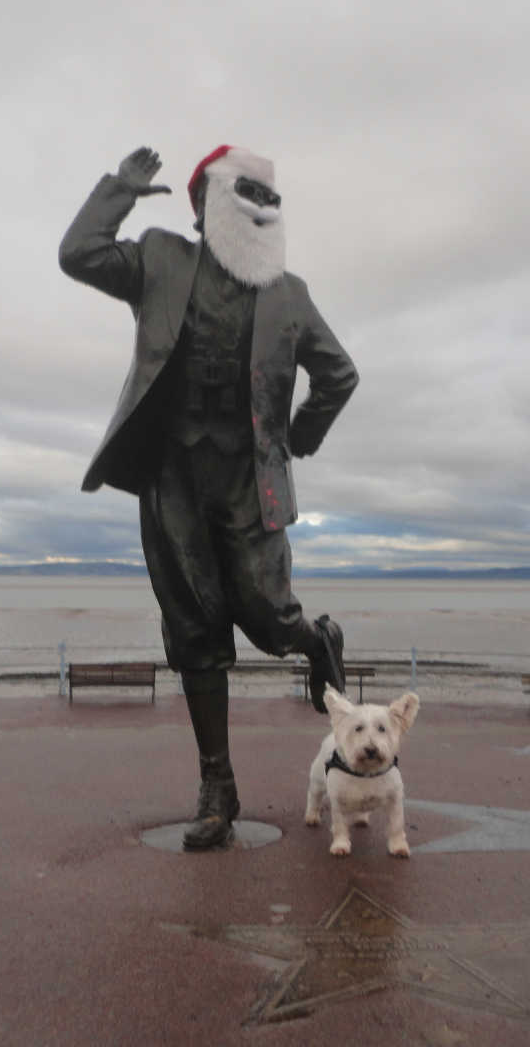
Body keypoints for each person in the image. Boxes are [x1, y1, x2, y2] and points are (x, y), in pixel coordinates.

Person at [59, 144, 357, 850]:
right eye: (245, 191)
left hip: (248, 479)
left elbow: (337, 375)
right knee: (194, 632)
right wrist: (118, 192)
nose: (263, 205)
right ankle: (216, 789)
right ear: (205, 204)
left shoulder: (289, 292)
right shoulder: (160, 259)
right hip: (173, 476)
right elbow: (79, 253)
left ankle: (315, 639)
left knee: (266, 614)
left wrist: (295, 440)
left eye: (269, 194)